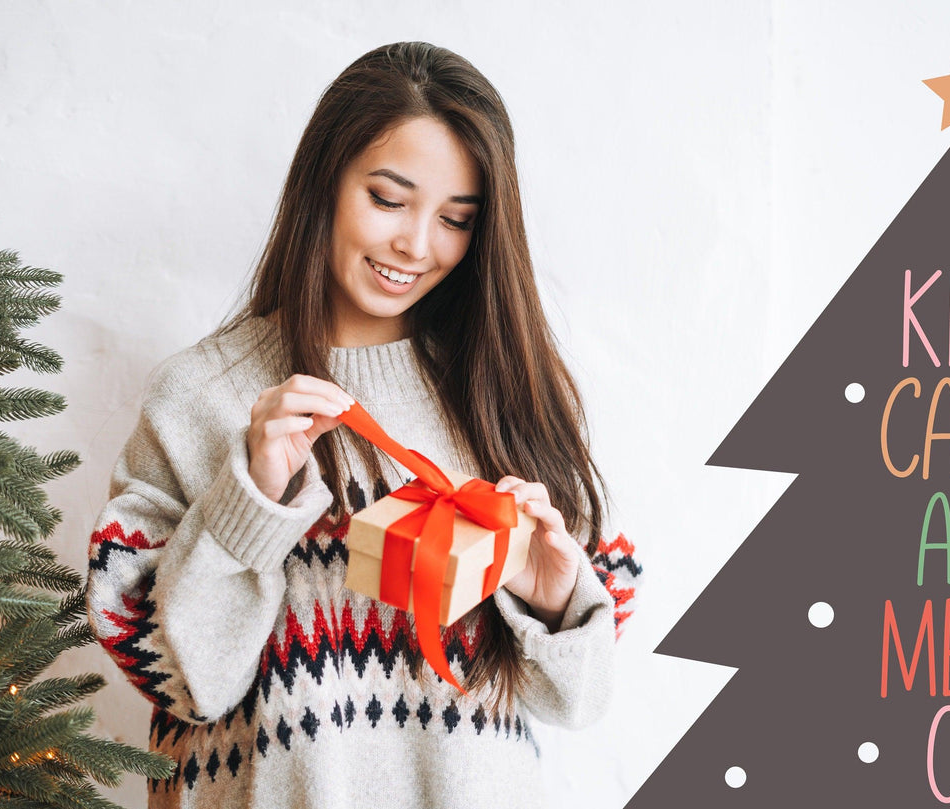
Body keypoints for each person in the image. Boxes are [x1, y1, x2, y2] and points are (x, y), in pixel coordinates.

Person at [86, 41, 641, 809]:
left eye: (455, 218)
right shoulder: (202, 397)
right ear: (326, 183)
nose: (417, 245)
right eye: (388, 199)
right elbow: (186, 685)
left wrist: (551, 600)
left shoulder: (503, 394)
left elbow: (576, 700)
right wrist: (249, 503)